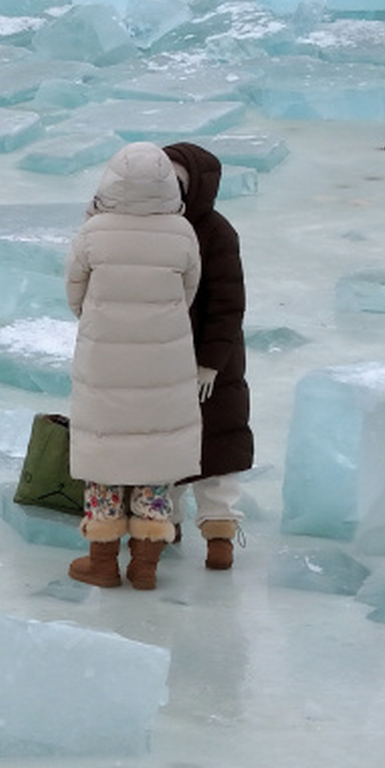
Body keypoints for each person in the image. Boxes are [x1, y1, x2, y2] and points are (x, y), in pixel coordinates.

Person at [64, 140, 203, 591]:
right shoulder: (182, 232)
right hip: (166, 360)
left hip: (104, 359)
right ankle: (145, 566)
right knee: (154, 460)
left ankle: (102, 563)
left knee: (105, 460)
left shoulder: (93, 231)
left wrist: (102, 321)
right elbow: (189, 290)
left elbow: (74, 293)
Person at [164, 140, 252, 571]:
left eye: (176, 181)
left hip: (212, 368)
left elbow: (228, 305)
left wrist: (211, 362)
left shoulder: (217, 232)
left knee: (215, 450)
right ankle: (168, 525)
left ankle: (220, 536)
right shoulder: (156, 228)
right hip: (165, 359)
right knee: (168, 450)